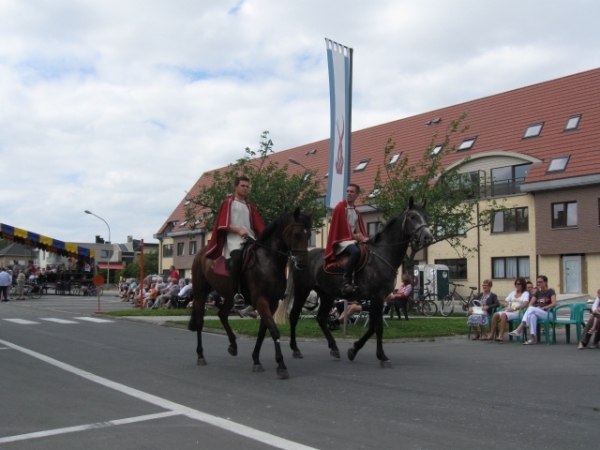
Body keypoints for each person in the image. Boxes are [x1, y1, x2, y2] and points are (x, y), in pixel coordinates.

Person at [205, 175, 265, 300]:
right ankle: (236, 293)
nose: (245, 189)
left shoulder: (249, 206)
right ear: (235, 186)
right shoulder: (228, 203)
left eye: (247, 187)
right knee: (237, 259)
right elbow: (223, 224)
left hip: (250, 239)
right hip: (233, 241)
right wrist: (238, 230)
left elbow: (259, 226)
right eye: (243, 186)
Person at [324, 183, 368, 296]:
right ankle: (346, 280)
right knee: (355, 252)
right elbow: (342, 228)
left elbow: (358, 229)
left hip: (352, 240)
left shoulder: (356, 212)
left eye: (352, 192)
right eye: (347, 191)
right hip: (342, 241)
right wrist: (354, 236)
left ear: (357, 195)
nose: (348, 193)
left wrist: (362, 237)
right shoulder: (340, 207)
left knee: (367, 249)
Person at [509, 275, 557, 345]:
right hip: (539, 312)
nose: (539, 284)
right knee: (532, 316)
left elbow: (554, 303)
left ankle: (520, 328)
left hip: (549, 314)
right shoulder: (538, 292)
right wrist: (537, 308)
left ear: (545, 282)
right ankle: (533, 338)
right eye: (537, 282)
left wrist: (545, 307)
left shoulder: (550, 291)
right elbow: (530, 304)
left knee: (532, 309)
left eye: (540, 282)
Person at [483, 277, 529, 343]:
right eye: (516, 284)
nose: (517, 285)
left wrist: (514, 308)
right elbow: (504, 301)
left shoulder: (525, 293)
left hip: (519, 312)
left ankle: (501, 335)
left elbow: (525, 304)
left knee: (504, 315)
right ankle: (491, 335)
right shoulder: (513, 293)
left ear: (523, 284)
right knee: (496, 314)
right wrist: (505, 304)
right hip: (509, 311)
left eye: (519, 284)